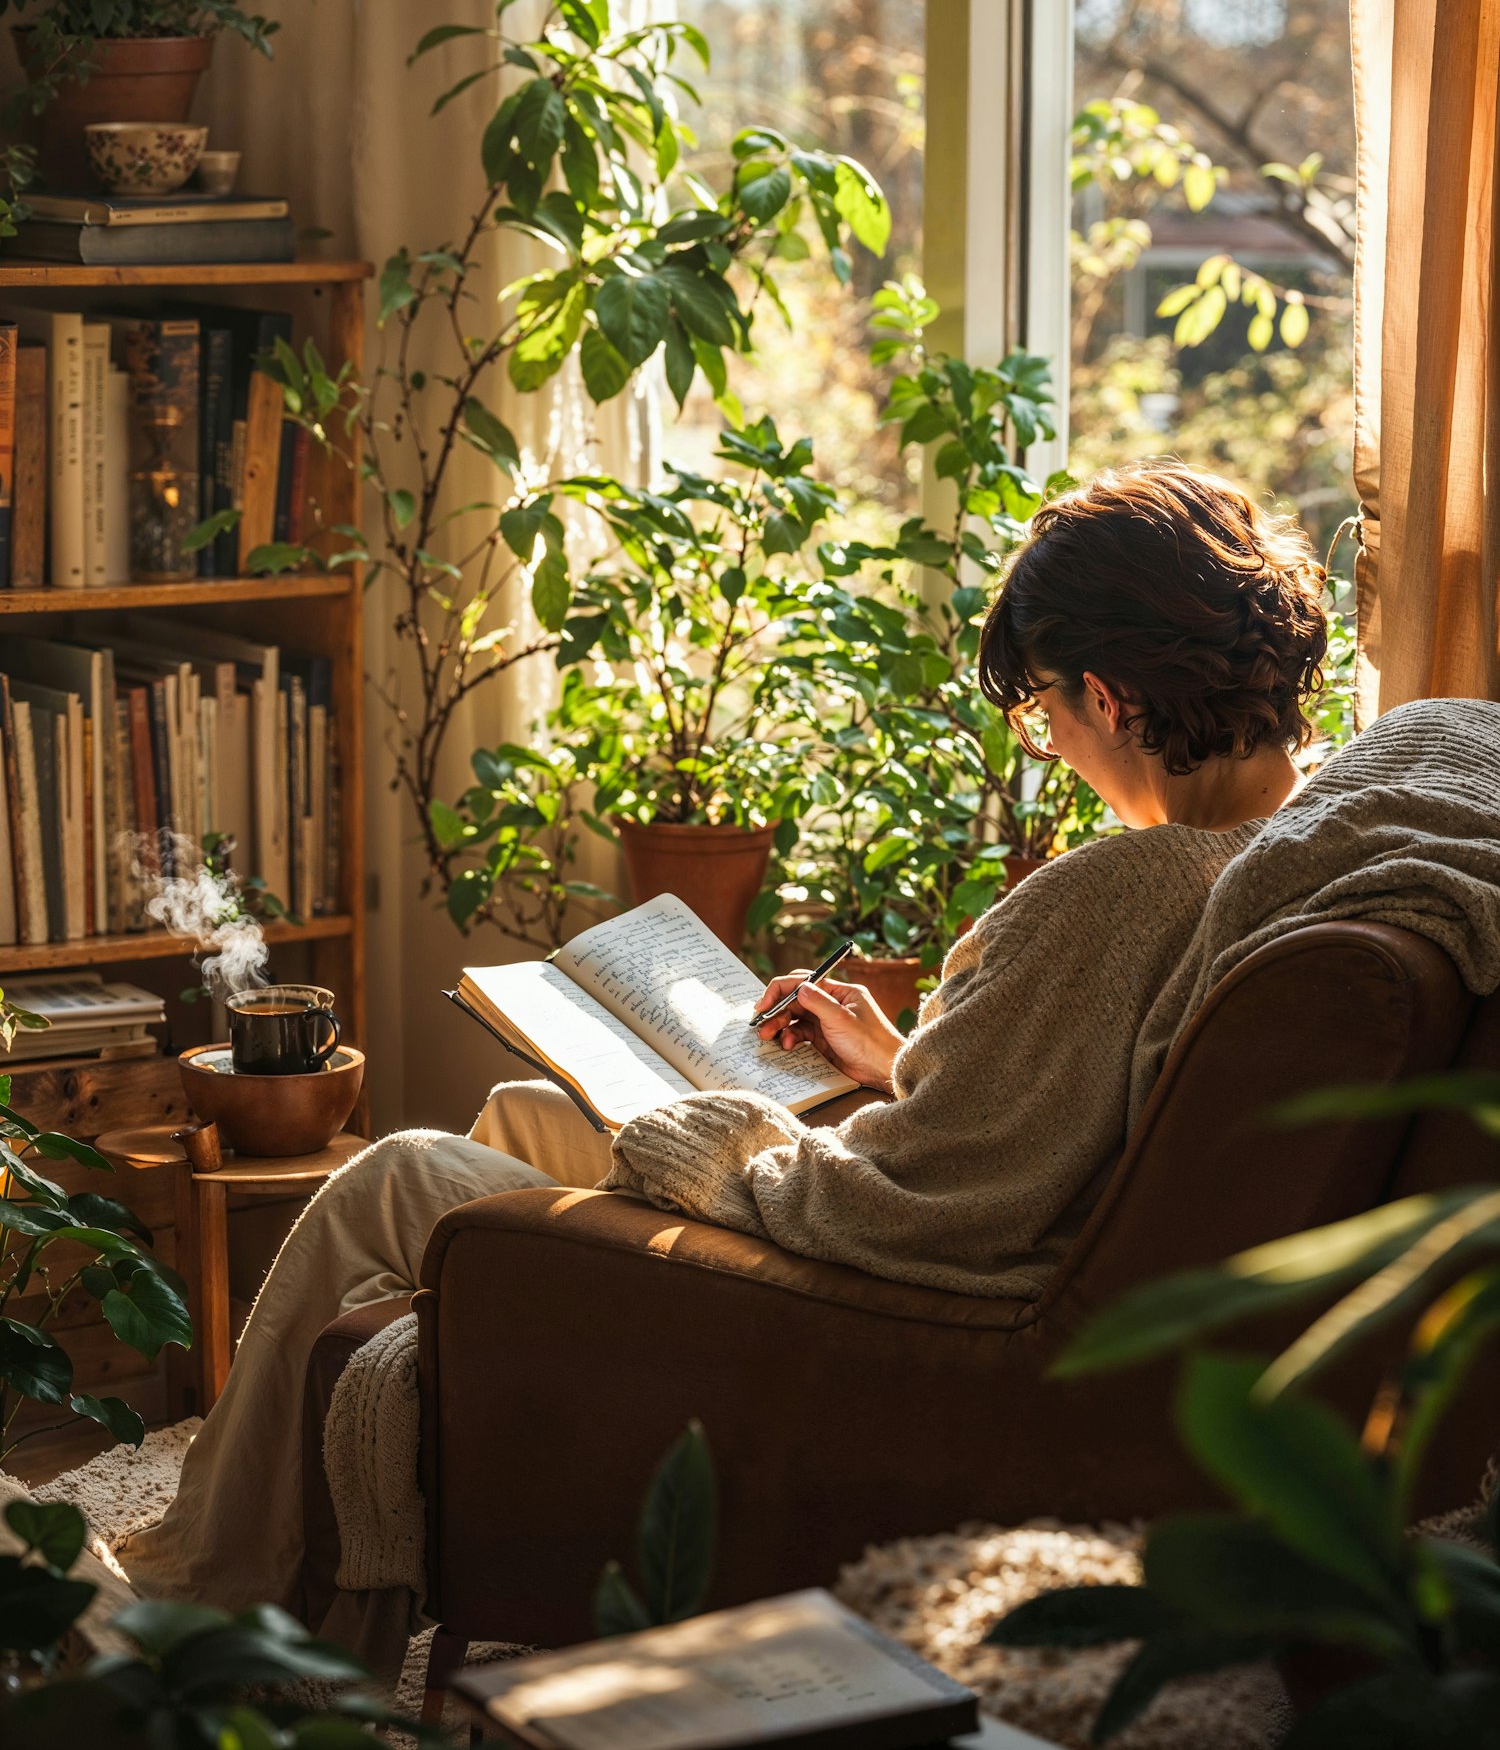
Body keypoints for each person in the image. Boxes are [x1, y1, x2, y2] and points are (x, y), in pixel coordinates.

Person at [120, 464, 1326, 1654]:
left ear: (1110, 696)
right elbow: (1035, 1130)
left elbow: (913, 1210)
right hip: (961, 1240)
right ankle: (438, 1467)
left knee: (394, 1176)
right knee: (524, 1104)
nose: (1050, 742)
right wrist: (897, 1058)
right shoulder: (1295, 837)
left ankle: (196, 1591)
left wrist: (721, 1131)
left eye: (1045, 708)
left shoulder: (1118, 892)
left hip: (869, 1288)